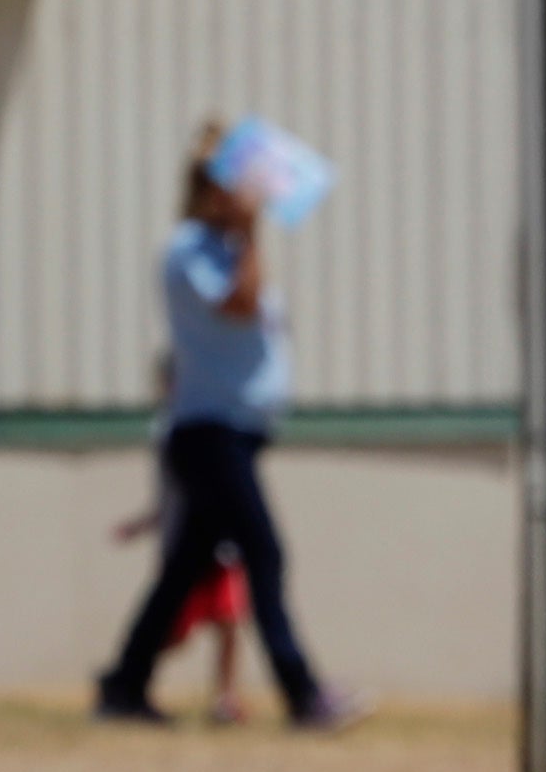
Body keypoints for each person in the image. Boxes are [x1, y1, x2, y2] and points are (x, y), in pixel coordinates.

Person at [95, 128, 363, 734]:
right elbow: (239, 307)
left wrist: (246, 238)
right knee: (264, 552)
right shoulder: (190, 250)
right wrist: (249, 234)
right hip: (207, 431)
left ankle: (123, 685)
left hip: (238, 430)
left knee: (186, 568)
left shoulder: (230, 248)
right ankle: (303, 692)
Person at [111, 361, 253, 722]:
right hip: (186, 544)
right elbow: (169, 494)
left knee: (229, 620)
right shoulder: (170, 430)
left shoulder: (218, 421)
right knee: (173, 632)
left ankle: (226, 698)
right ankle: (126, 678)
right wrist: (146, 524)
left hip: (221, 542)